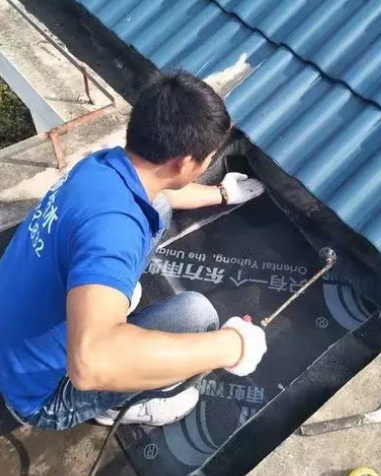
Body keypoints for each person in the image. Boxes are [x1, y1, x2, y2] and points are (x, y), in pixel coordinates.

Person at [0, 72, 267, 430]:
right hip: (40, 396)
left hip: (11, 340)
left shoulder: (102, 166)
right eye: (208, 158)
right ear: (185, 163)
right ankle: (112, 407)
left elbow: (162, 192)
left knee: (158, 209)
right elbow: (89, 364)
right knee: (196, 315)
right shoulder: (116, 230)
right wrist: (233, 346)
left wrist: (222, 193)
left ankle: (105, 307)